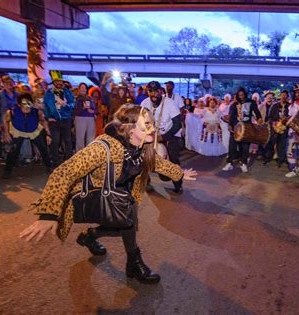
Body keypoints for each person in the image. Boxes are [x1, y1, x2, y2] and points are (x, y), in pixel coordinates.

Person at [19, 104, 198, 284]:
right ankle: (128, 259)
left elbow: (157, 163)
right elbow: (64, 172)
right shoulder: (102, 147)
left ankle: (103, 244)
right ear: (129, 129)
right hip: (98, 193)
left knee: (127, 224)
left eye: (152, 123)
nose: (152, 128)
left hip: (124, 192)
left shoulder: (143, 145)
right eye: (147, 124)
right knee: (126, 225)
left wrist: (180, 173)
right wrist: (48, 214)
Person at [142, 81, 184, 193]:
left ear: (161, 91)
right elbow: (140, 122)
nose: (154, 94)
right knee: (140, 156)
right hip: (152, 135)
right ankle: (145, 182)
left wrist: (163, 137)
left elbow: (177, 124)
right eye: (150, 91)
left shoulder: (170, 103)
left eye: (156, 91)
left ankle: (178, 183)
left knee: (173, 157)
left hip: (170, 135)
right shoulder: (144, 103)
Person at [2, 93, 52, 178]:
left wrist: (48, 134)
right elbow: (6, 121)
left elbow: (44, 121)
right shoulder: (12, 111)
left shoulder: (37, 112)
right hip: (18, 130)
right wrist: (6, 134)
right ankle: (7, 170)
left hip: (33, 130)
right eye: (24, 104)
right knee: (14, 150)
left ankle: (49, 166)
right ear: (19, 104)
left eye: (29, 103)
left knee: (43, 148)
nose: (27, 106)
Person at [222, 87, 262, 173]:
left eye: (242, 95)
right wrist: (229, 125)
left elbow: (257, 113)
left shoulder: (251, 102)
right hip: (235, 128)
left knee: (245, 147)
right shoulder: (233, 105)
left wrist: (259, 119)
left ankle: (244, 163)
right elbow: (231, 117)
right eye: (239, 95)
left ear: (245, 94)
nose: (241, 97)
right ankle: (229, 163)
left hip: (247, 128)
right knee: (232, 146)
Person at [43, 70, 75, 167]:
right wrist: (48, 117)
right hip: (54, 121)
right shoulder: (48, 94)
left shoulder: (68, 93)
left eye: (60, 81)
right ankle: (56, 162)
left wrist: (64, 104)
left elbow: (73, 105)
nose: (59, 83)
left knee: (68, 141)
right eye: (57, 81)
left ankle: (68, 161)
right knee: (55, 141)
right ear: (53, 82)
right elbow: (46, 107)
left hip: (66, 120)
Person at [265, 90, 290, 167]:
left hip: (284, 128)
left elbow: (292, 117)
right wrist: (273, 123)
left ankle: (280, 160)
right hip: (274, 127)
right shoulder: (275, 106)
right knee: (271, 143)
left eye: (285, 95)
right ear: (280, 96)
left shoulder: (290, 106)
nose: (283, 97)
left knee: (282, 144)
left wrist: (286, 120)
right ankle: (267, 158)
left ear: (287, 97)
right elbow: (269, 117)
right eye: (282, 95)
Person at [74, 83, 96, 151]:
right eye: (82, 88)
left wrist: (93, 111)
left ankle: (89, 154)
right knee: (80, 138)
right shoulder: (76, 98)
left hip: (90, 118)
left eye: (85, 88)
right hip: (80, 118)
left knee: (91, 138)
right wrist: (83, 108)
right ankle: (80, 155)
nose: (84, 89)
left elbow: (94, 108)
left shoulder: (90, 98)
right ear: (79, 89)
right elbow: (75, 110)